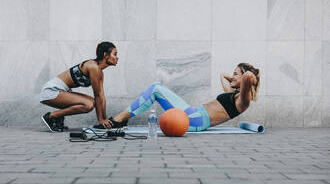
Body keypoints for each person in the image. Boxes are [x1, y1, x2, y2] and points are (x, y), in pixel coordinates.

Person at [95, 63, 260, 131]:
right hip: (194, 115)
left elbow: (248, 78)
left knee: (155, 88)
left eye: (236, 74)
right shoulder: (232, 94)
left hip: (195, 120)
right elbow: (222, 75)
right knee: (155, 89)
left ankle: (119, 119)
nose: (232, 76)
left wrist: (248, 75)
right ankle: (121, 119)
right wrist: (234, 78)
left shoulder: (242, 101)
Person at [40, 41, 118, 132]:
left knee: (91, 102)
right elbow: (97, 95)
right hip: (51, 91)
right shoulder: (93, 67)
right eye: (115, 54)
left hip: (62, 92)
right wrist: (101, 120)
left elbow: (101, 96)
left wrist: (105, 119)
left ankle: (57, 118)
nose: (117, 57)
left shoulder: (99, 72)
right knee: (88, 104)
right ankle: (51, 116)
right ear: (106, 55)